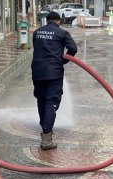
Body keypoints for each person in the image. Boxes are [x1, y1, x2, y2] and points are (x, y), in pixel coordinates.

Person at [31, 10, 78, 150]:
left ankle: (45, 127)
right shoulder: (62, 33)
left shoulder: (37, 32)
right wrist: (62, 60)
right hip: (54, 73)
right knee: (51, 102)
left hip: (37, 71)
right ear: (59, 21)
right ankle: (46, 138)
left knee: (41, 100)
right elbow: (73, 49)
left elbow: (37, 48)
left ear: (47, 20)